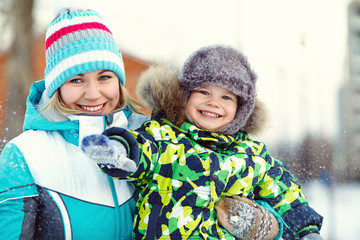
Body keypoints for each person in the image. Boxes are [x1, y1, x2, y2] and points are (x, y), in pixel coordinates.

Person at [81, 45, 324, 239]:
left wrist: (306, 230)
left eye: (226, 96)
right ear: (185, 96)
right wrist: (118, 151)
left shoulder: (253, 156)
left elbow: (284, 193)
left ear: (241, 109)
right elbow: (141, 151)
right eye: (203, 92)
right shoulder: (164, 138)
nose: (213, 102)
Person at [0, 8, 149, 239]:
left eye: (104, 77)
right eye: (76, 80)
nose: (93, 93)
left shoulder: (150, 141)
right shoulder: (25, 155)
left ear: (119, 81)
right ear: (56, 87)